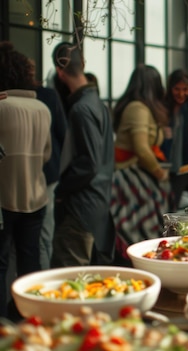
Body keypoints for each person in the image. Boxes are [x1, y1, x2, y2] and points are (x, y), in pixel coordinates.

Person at [50, 42, 115, 268]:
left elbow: (89, 163)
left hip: (81, 206)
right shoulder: (98, 104)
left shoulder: (81, 108)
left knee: (68, 277)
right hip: (99, 202)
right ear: (83, 64)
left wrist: (61, 188)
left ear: (59, 72)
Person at [0, 41, 51, 318]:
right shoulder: (42, 109)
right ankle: (31, 318)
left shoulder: (2, 107)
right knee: (30, 261)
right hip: (36, 195)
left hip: (4, 197)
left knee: (0, 264)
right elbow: (46, 156)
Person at [110, 64, 172, 263]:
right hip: (132, 180)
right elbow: (142, 149)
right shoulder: (138, 108)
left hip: (137, 177)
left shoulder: (140, 108)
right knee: (141, 233)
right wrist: (159, 174)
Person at [32, 60, 67, 270]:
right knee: (45, 234)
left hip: (14, 177)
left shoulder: (5, 99)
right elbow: (63, 136)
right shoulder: (48, 96)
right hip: (48, 173)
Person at [162, 69, 188, 209]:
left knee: (173, 205)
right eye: (177, 89)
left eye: (185, 89)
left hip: (183, 167)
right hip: (162, 164)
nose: (181, 93)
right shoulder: (162, 108)